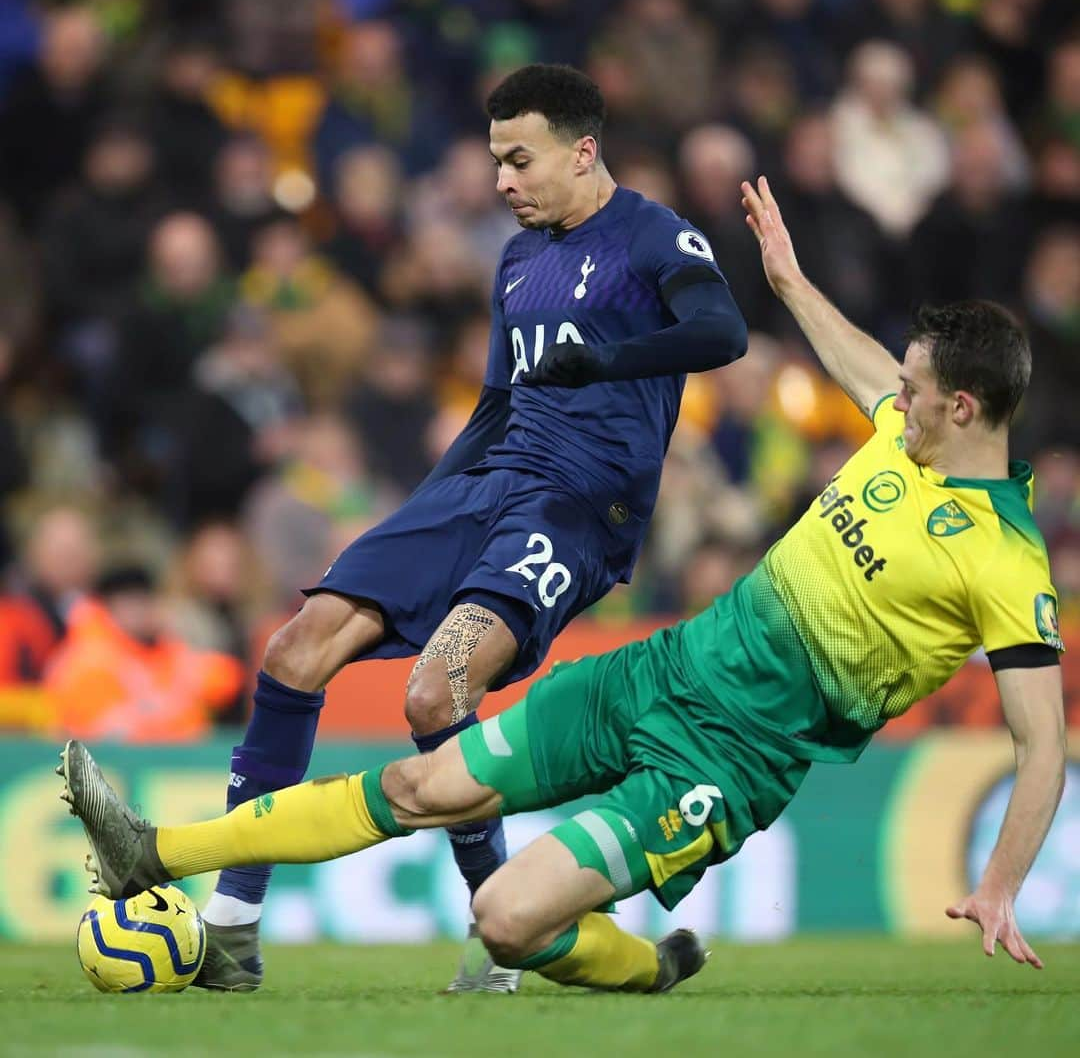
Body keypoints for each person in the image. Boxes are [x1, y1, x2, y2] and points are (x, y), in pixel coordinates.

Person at [60, 176, 1065, 995]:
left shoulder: (1005, 560)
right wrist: (791, 281)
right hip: (661, 669)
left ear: (965, 405)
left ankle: (648, 965)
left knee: (502, 919)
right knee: (419, 783)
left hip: (734, 751)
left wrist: (999, 883)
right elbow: (863, 367)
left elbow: (1042, 745)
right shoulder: (909, 431)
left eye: (918, 388)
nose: (897, 392)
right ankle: (154, 850)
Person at [191, 63, 748, 993]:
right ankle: (233, 929)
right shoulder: (519, 257)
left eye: (519, 160)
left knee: (432, 693)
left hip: (579, 507)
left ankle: (504, 929)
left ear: (583, 151)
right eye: (496, 161)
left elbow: (723, 332)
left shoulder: (653, 236)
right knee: (296, 648)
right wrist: (419, 513)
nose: (501, 182)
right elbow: (495, 407)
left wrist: (605, 360)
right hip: (486, 482)